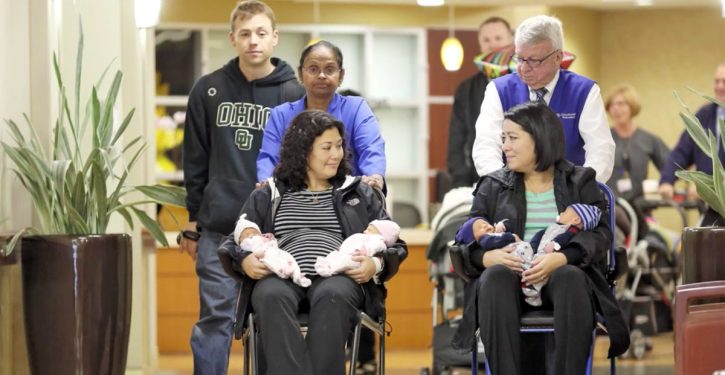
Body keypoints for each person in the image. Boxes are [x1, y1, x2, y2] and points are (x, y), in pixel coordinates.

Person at [217, 110, 407, 375]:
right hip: (281, 274)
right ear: (303, 151)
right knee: (270, 294)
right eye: (327, 147)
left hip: (338, 276)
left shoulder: (359, 192)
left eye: (339, 146)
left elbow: (395, 243)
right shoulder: (270, 193)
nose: (336, 154)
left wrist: (374, 265)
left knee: (333, 294)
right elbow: (236, 238)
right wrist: (245, 262)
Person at [452, 101, 628, 375]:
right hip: (510, 279)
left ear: (540, 137)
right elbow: (466, 240)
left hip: (564, 277)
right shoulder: (493, 185)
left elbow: (601, 235)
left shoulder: (580, 181)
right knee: (495, 277)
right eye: (503, 139)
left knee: (570, 277)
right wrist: (488, 256)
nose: (504, 146)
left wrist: (562, 257)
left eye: (513, 138)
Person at [179, 1, 306, 373]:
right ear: (233, 39)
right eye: (246, 34)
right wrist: (192, 220)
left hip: (274, 232)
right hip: (219, 229)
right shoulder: (208, 90)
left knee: (272, 321)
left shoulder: (293, 94)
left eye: (261, 33)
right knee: (215, 320)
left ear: (275, 38)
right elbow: (195, 160)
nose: (254, 41)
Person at [471, 15, 615, 183]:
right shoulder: (498, 90)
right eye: (519, 58)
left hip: (572, 193)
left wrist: (583, 189)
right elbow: (486, 145)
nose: (524, 68)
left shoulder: (584, 91)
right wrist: (502, 185)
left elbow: (601, 149)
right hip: (510, 190)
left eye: (534, 61)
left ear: (558, 58)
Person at [257, 40, 386, 190]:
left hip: (348, 201)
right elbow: (269, 158)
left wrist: (374, 176)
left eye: (330, 69)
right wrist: (266, 183)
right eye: (313, 69)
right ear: (300, 73)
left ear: (341, 75)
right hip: (294, 203)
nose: (322, 75)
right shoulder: (280, 115)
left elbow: (371, 148)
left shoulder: (356, 109)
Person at [447, 17, 514, 188]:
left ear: (511, 40)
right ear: (480, 44)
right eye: (486, 40)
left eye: (498, 38)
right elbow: (457, 138)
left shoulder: (526, 82)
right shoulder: (466, 88)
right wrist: (460, 181)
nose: (492, 45)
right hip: (477, 179)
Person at [659, 62, 725, 204]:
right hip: (709, 206)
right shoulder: (704, 115)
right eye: (717, 81)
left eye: (724, 81)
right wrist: (667, 180)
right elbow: (682, 151)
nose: (719, 86)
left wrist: (709, 188)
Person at [604, 84, 669, 205]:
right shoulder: (602, 139)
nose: (616, 109)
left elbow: (670, 166)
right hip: (610, 207)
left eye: (621, 104)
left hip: (641, 207)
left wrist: (666, 183)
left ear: (632, 106)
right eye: (612, 105)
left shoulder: (648, 139)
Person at [315, 219, 401, 278]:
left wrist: (363, 252)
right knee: (335, 256)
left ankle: (331, 269)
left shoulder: (378, 240)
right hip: (347, 253)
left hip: (357, 258)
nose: (365, 231)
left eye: (370, 230)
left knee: (345, 261)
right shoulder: (367, 237)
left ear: (382, 235)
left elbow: (373, 247)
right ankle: (326, 263)